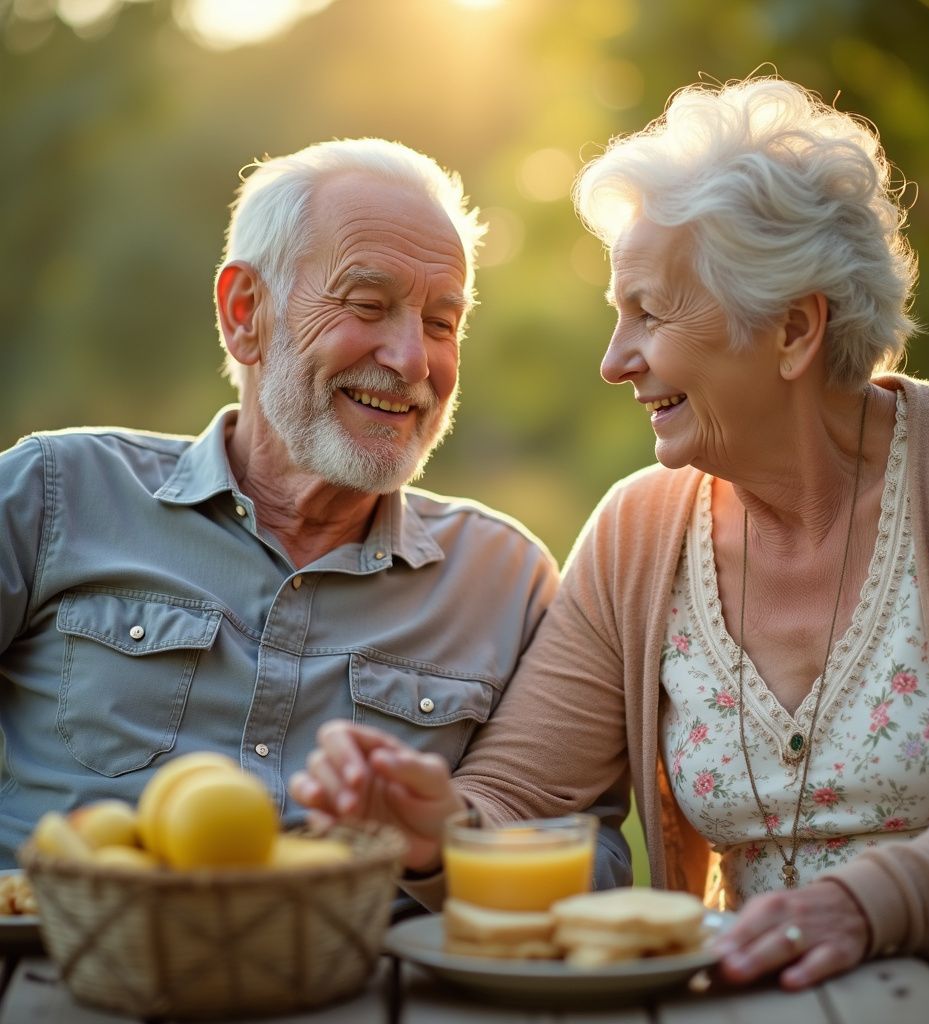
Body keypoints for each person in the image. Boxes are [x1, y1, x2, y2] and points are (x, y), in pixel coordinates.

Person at [292, 77, 929, 985]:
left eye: (649, 312)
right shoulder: (641, 531)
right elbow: (525, 795)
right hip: (755, 1000)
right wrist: (434, 830)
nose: (613, 360)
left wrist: (856, 908)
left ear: (793, 329)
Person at [0, 138, 633, 898]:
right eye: (368, 305)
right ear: (246, 314)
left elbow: (591, 861)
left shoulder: (505, 578)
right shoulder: (53, 493)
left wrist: (442, 847)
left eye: (441, 323)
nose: (410, 359)